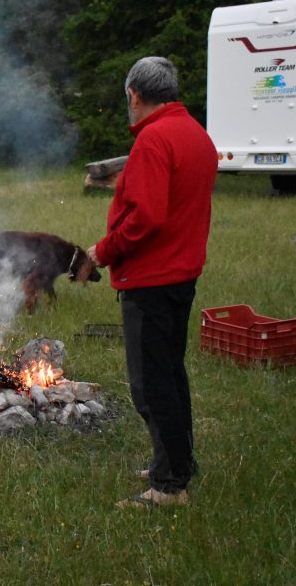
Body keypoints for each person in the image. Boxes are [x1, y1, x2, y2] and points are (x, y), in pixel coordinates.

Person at [86, 56, 217, 508]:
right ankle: (178, 462)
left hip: (151, 279)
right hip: (181, 275)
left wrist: (100, 253)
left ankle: (168, 487)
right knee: (171, 373)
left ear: (134, 95)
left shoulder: (154, 140)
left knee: (152, 383)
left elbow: (145, 218)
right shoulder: (196, 135)